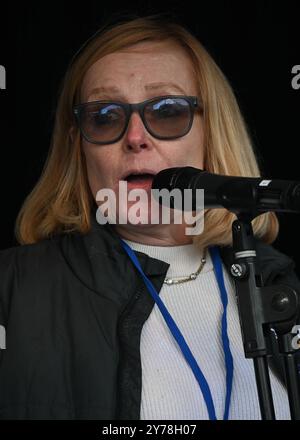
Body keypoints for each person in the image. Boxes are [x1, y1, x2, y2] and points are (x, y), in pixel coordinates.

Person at [0, 15, 299, 421]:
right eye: (104, 115)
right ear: (79, 148)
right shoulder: (12, 288)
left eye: (167, 110)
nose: (136, 136)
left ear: (212, 132)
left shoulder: (282, 287)